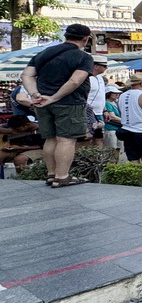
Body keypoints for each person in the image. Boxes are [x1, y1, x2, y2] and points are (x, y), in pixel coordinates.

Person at [19, 23, 95, 187]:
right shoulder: (84, 57)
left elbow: (26, 75)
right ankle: (62, 177)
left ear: (66, 36)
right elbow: (75, 81)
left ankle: (51, 174)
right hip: (69, 102)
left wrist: (34, 94)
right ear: (85, 38)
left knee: (50, 138)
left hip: (42, 103)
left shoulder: (44, 52)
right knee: (66, 140)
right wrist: (54, 97)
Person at [84, 54, 109, 147]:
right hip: (88, 112)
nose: (106, 68)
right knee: (88, 137)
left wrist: (105, 110)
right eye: (104, 66)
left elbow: (101, 95)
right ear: (96, 66)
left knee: (99, 137)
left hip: (99, 113)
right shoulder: (86, 77)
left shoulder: (100, 78)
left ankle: (99, 157)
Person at [102, 87, 123, 151]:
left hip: (118, 129)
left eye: (118, 93)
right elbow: (112, 117)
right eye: (115, 93)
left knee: (118, 149)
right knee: (111, 149)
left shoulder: (116, 103)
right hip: (110, 129)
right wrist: (126, 121)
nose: (117, 95)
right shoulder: (106, 103)